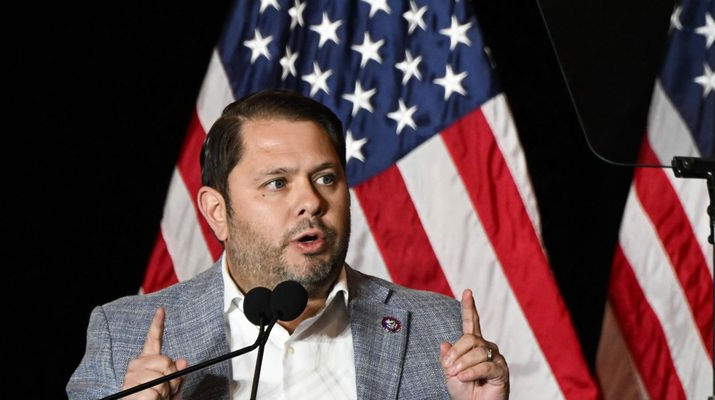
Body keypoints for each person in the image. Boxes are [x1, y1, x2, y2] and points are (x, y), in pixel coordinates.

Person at [67, 89, 510, 399]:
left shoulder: (438, 331)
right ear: (217, 211)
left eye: (325, 178)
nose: (311, 202)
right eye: (277, 183)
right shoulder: (122, 335)